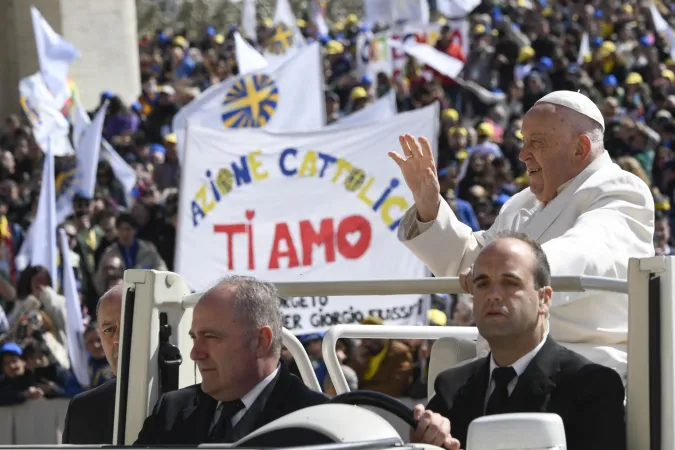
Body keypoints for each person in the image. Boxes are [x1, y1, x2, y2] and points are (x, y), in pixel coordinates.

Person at [390, 90, 655, 381]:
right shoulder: (522, 202)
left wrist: (513, 271)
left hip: (581, 368)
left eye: (536, 142)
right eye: (523, 141)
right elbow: (471, 261)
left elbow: (591, 250)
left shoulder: (619, 189)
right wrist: (430, 208)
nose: (522, 154)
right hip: (508, 362)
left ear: (580, 148)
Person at [411, 233, 626, 450]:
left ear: (544, 299)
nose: (493, 295)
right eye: (482, 283)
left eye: (510, 283)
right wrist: (425, 440)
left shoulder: (592, 386)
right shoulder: (451, 386)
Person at [134, 275, 328, 445]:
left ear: (261, 341)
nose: (195, 354)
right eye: (194, 338)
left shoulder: (318, 422)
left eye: (211, 337)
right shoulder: (171, 411)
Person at [62, 283, 123, 444]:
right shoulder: (82, 410)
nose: (117, 339)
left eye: (127, 326)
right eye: (109, 330)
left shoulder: (180, 405)